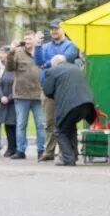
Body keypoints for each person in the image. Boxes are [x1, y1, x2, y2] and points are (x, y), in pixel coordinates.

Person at [34, 19, 80, 162]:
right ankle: (49, 151)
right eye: (52, 29)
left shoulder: (71, 45)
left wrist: (46, 64)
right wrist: (38, 45)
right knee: (49, 122)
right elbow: (38, 62)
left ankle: (68, 152)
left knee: (66, 121)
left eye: (57, 28)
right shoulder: (46, 46)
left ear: (64, 30)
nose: (54, 31)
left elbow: (60, 61)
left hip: (65, 90)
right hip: (48, 88)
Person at [41, 54, 96, 166]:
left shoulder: (52, 71)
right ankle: (74, 155)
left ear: (54, 63)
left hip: (70, 105)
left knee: (59, 130)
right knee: (70, 128)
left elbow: (47, 90)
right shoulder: (76, 68)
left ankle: (68, 158)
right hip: (87, 104)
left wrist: (56, 95)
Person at [5, 32, 45, 160]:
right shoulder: (17, 52)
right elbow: (9, 68)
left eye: (30, 38)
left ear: (35, 40)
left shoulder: (40, 51)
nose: (27, 41)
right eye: (25, 39)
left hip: (38, 95)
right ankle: (20, 150)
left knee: (40, 125)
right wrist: (11, 52)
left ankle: (41, 150)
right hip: (21, 95)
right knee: (21, 125)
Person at [0, 46, 17, 156]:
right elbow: (0, 85)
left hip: (13, 102)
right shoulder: (5, 71)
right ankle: (10, 148)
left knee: (14, 126)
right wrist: (1, 96)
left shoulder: (17, 72)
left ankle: (15, 148)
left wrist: (9, 98)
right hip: (3, 102)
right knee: (7, 126)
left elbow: (18, 87)